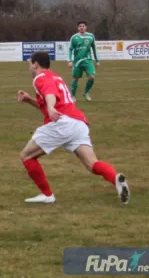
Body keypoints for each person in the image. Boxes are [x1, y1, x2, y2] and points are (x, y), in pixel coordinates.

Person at [17, 51, 129, 204]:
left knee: (26, 156)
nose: (29, 67)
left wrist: (50, 107)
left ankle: (47, 195)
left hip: (62, 123)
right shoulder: (56, 77)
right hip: (79, 123)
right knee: (92, 163)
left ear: (35, 64)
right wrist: (29, 100)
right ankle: (116, 179)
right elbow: (50, 102)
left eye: (30, 64)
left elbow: (50, 95)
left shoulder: (40, 78)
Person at [68, 21, 99, 102]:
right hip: (77, 62)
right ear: (78, 28)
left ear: (86, 27)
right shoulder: (74, 37)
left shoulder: (90, 36)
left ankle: (86, 92)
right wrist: (69, 60)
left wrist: (97, 60)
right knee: (75, 79)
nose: (81, 27)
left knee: (92, 77)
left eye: (83, 26)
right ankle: (73, 96)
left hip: (88, 60)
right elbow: (70, 49)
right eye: (80, 26)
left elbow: (94, 48)